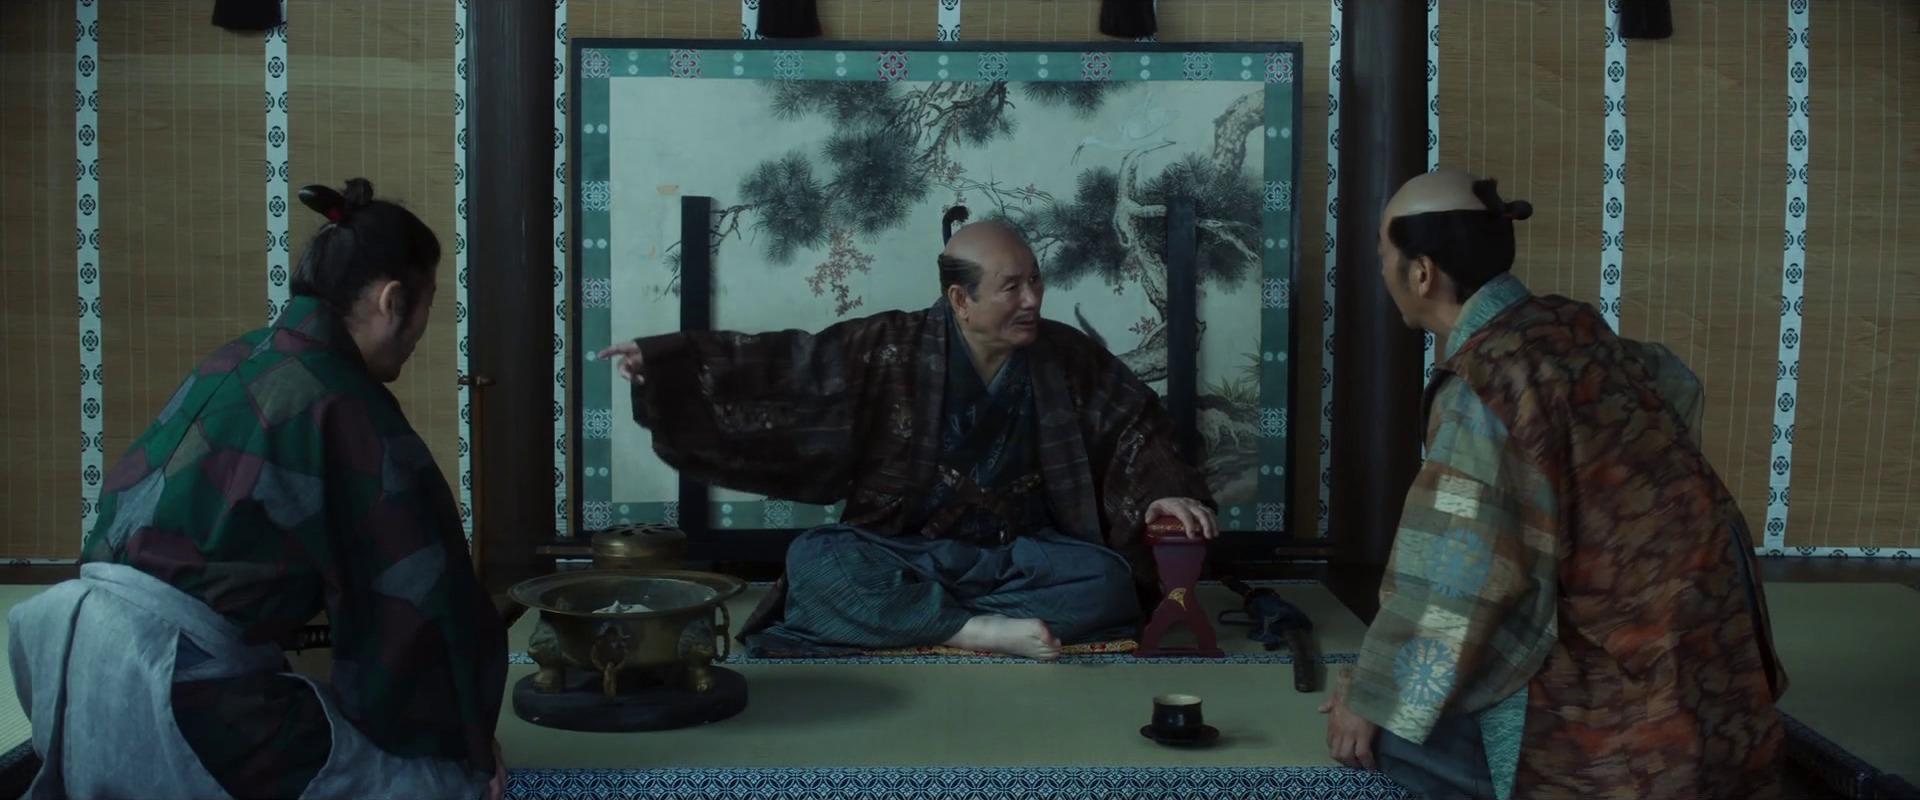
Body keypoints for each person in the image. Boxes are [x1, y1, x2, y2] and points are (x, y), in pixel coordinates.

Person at [8, 179, 509, 800]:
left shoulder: (239, 357)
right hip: (173, 685)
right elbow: (421, 599)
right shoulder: (343, 400)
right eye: (429, 303)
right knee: (443, 784)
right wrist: (465, 740)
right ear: (392, 300)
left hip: (68, 664)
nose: (424, 328)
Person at [1317, 168, 1788, 799]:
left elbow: (1456, 579)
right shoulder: (1571, 325)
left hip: (1630, 711)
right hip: (1716, 652)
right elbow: (1678, 384)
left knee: (1395, 732)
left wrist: (1372, 696)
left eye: (1383, 256)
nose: (1383, 272)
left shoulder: (1488, 382)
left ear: (1422, 273)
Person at [597, 213, 1218, 660]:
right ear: (960, 299)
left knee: (1108, 583)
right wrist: (671, 364)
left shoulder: (1066, 356)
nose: (1032, 299)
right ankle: (973, 631)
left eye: (1036, 281)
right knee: (816, 561)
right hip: (908, 553)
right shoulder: (892, 346)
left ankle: (920, 621)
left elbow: (1135, 424)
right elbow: (795, 367)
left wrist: (1162, 491)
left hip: (1024, 560)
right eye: (1012, 287)